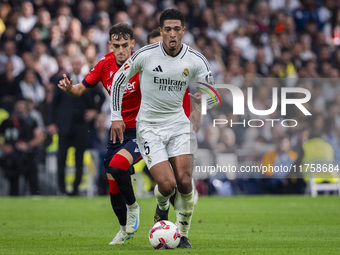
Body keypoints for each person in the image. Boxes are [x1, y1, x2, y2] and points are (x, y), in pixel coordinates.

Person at [110, 9, 219, 248]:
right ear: (161, 31)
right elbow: (119, 79)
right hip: (149, 127)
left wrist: (203, 101)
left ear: (183, 31)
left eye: (176, 29)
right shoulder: (145, 55)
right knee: (167, 185)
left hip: (179, 125)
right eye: (167, 29)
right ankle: (161, 210)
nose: (171, 33)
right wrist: (116, 116)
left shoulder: (196, 60)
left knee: (184, 181)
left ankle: (183, 234)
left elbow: (212, 94)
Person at [57, 23, 141, 245]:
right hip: (117, 131)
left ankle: (134, 207)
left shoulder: (143, 62)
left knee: (116, 166)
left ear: (132, 44)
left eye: (125, 45)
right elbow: (79, 89)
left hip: (143, 130)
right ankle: (124, 229)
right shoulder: (104, 65)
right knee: (112, 183)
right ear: (110, 45)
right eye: (116, 46)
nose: (121, 50)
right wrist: (68, 89)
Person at [50, 54, 105, 196]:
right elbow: (53, 104)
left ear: (82, 64)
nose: (76, 66)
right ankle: (62, 188)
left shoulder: (89, 80)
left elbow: (102, 96)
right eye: (74, 63)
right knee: (61, 157)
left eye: (78, 63)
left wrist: (95, 111)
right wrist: (52, 123)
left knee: (79, 158)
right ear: (70, 65)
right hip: (64, 125)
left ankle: (75, 189)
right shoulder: (61, 80)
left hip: (82, 125)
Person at [0, 98, 44, 196]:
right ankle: (14, 198)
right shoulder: (7, 122)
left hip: (27, 154)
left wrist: (27, 145)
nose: (20, 108)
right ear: (14, 107)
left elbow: (39, 138)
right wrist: (5, 146)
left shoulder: (31, 121)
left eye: (22, 106)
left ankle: (35, 196)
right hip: (12, 155)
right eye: (18, 105)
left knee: (33, 180)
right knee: (13, 184)